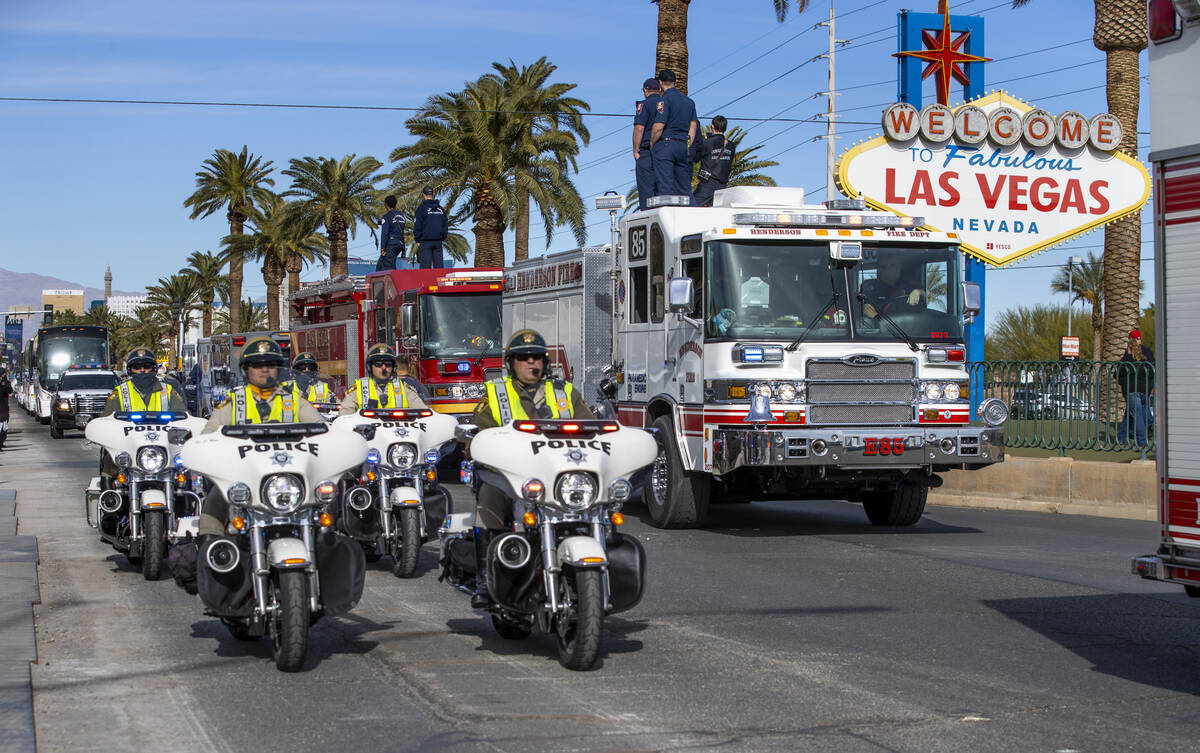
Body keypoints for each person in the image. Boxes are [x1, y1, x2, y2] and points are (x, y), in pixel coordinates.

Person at [466, 328, 594, 608]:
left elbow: (592, 429)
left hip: (561, 478)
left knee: (603, 508)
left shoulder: (565, 393)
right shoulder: (495, 393)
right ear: (511, 363)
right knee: (489, 497)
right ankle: (485, 582)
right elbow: (478, 434)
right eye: (523, 358)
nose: (531, 363)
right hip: (512, 479)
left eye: (536, 357)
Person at [198, 336, 324, 536]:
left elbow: (322, 427)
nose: (265, 369)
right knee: (217, 495)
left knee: (325, 498)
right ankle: (211, 547)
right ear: (246, 370)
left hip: (290, 475)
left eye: (271, 364)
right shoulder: (234, 402)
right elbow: (207, 435)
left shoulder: (293, 399)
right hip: (244, 476)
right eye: (257, 365)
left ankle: (325, 542)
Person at [338, 343, 428, 415]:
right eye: (378, 364)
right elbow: (344, 417)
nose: (384, 367)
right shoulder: (358, 389)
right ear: (370, 367)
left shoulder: (404, 388)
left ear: (393, 367)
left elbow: (423, 411)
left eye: (388, 364)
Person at [649, 68, 699, 199]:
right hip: (682, 145)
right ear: (675, 82)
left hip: (666, 145)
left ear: (660, 83)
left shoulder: (663, 101)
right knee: (685, 188)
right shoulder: (689, 102)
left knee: (666, 188)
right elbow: (693, 126)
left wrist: (652, 143)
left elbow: (659, 127)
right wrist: (687, 144)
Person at [101, 347, 188, 415]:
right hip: (128, 437)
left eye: (146, 366)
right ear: (130, 370)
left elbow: (183, 415)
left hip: (162, 436)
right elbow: (108, 420)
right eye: (137, 367)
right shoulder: (119, 392)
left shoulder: (168, 390)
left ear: (154, 368)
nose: (142, 370)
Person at [1118, 328, 1155, 447]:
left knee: (1137, 415)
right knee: (1134, 413)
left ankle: (1141, 441)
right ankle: (1121, 437)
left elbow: (1119, 371)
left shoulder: (1128, 354)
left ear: (1129, 340)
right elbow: (1152, 369)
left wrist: (1122, 382)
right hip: (1145, 388)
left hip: (1132, 388)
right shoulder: (1147, 352)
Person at [860, 255, 925, 320]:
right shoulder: (871, 288)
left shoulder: (910, 286)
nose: (887, 269)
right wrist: (876, 317)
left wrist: (919, 292)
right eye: (883, 267)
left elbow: (929, 296)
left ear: (899, 268)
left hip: (908, 327)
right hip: (884, 327)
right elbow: (867, 310)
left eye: (892, 266)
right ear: (879, 270)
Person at [632, 78, 663, 210]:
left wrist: (635, 151)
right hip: (664, 151)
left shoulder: (643, 105)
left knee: (646, 192)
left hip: (647, 152)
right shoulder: (665, 104)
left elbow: (639, 128)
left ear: (645, 90)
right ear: (659, 89)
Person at [691, 116, 734, 207]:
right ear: (725, 128)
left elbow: (695, 158)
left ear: (712, 126)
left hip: (708, 183)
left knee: (691, 207)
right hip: (723, 184)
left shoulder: (706, 142)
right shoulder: (731, 145)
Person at [413, 185, 449, 269]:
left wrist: (417, 239)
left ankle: (426, 283)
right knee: (439, 268)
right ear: (433, 194)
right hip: (438, 242)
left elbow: (417, 225)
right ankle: (439, 282)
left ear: (423, 194)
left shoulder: (421, 209)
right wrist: (442, 237)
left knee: (425, 268)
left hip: (425, 241)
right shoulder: (441, 209)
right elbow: (445, 225)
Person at [377, 195, 406, 272]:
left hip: (391, 243)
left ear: (386, 205)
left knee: (388, 266)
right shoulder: (402, 216)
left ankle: (392, 283)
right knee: (380, 264)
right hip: (400, 243)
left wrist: (382, 248)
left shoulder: (386, 216)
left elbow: (385, 233)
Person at [0, 367, 12, 451]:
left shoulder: (5, 383)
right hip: (2, 409)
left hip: (3, 408)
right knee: (2, 426)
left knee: (4, 426)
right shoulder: (3, 383)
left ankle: (1, 442)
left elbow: (10, 390)